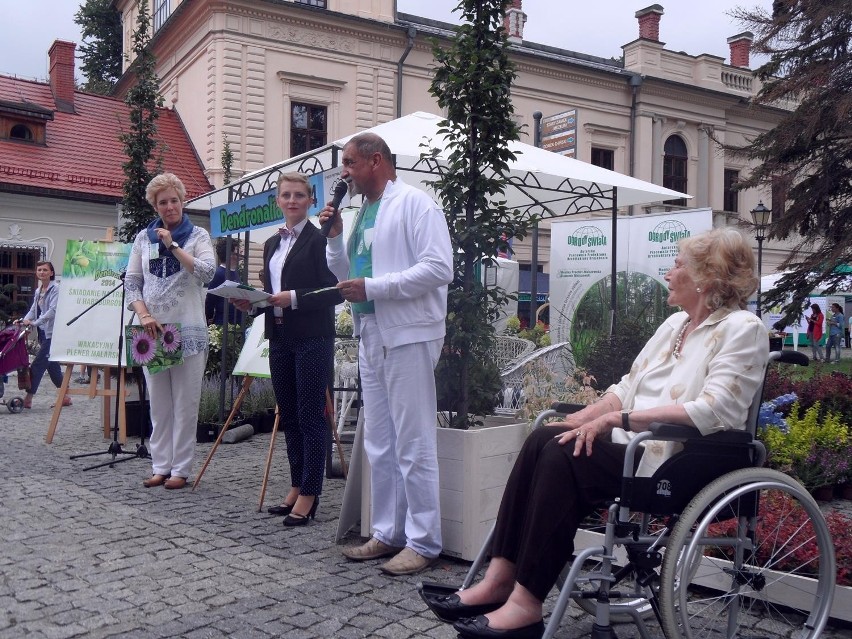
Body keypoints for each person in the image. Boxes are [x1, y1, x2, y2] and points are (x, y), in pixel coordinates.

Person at [423, 228, 769, 639]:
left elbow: (716, 409)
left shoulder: (743, 329)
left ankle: (526, 604)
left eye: (677, 265)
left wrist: (617, 422)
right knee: (546, 437)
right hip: (633, 445)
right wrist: (586, 417)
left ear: (706, 279)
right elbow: (626, 387)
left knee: (561, 456)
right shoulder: (675, 324)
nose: (669, 271)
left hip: (675, 457)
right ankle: (499, 577)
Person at [320, 132, 453, 576]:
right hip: (371, 329)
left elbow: (439, 267)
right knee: (378, 438)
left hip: (409, 332)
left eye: (350, 163)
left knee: (413, 439)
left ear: (376, 161)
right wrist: (336, 238)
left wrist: (375, 287)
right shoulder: (361, 213)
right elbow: (344, 273)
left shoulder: (417, 204)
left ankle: (424, 540)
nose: (345, 172)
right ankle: (387, 532)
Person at [233, 172, 342, 527]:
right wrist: (253, 303)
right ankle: (296, 485)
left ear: (310, 201)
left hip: (313, 336)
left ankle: (311, 493)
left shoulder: (320, 239)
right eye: (286, 195)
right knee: (290, 417)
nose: (292, 200)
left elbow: (335, 291)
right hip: (278, 336)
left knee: (311, 416)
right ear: (277, 201)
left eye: (299, 195)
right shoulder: (270, 244)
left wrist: (292, 299)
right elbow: (272, 293)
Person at [125, 173, 216, 490]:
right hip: (152, 331)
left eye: (174, 200)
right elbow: (132, 282)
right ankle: (160, 464)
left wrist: (173, 244)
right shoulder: (141, 238)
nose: (169, 206)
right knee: (159, 403)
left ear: (182, 200)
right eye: (162, 202)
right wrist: (144, 314)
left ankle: (181, 469)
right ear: (156, 206)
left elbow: (206, 272)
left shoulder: (198, 236)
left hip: (187, 331)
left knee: (185, 404)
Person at [19, 261, 69, 410]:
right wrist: (25, 320)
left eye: (45, 270)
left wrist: (35, 323)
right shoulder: (38, 290)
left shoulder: (56, 289)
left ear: (51, 273)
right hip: (43, 331)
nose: (42, 272)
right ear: (36, 273)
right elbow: (34, 310)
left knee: (38, 364)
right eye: (39, 270)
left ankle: (28, 397)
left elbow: (52, 311)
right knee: (52, 365)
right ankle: (65, 396)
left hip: (53, 333)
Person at [205, 237, 244, 326]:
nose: (242, 251)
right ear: (230, 254)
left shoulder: (235, 272)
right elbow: (210, 300)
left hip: (235, 324)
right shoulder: (219, 274)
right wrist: (209, 320)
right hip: (223, 324)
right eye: (238, 249)